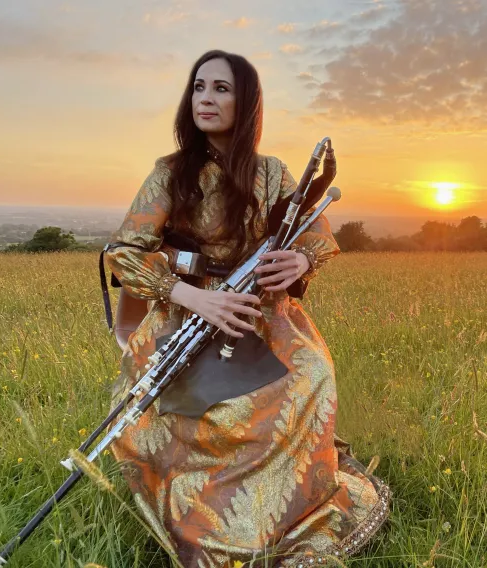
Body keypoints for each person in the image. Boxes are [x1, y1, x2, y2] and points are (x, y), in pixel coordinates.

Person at [105, 49, 391, 567]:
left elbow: (314, 229)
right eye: (198, 87)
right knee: (219, 408)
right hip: (185, 314)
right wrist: (192, 296)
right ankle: (216, 521)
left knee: (312, 373)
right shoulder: (170, 172)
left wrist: (301, 261)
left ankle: (288, 507)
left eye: (221, 88)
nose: (205, 99)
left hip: (258, 314)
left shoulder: (273, 172)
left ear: (248, 103)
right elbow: (123, 252)